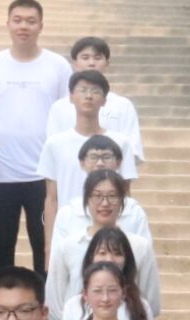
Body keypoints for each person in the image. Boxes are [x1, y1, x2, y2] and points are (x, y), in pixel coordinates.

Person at [0, 0, 73, 272]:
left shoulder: (58, 66)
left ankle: (46, 295)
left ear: (41, 26)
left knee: (44, 241)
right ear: (7, 24)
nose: (23, 26)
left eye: (30, 21)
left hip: (44, 173)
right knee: (1, 242)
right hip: (1, 172)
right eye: (17, 20)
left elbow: (67, 114)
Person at [38, 70, 139, 248]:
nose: (89, 96)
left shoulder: (120, 143)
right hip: (70, 228)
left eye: (95, 91)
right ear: (71, 97)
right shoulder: (55, 144)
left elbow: (125, 194)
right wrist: (49, 246)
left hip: (110, 231)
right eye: (83, 90)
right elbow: (51, 199)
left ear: (105, 100)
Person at [45, 171, 160, 320]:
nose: (105, 203)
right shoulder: (68, 247)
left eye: (112, 196)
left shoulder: (140, 247)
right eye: (97, 196)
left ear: (122, 201)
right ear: (86, 200)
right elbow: (54, 302)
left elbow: (150, 302)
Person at [47, 37, 145, 164]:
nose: (91, 63)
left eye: (97, 58)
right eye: (85, 58)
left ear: (107, 64)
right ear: (75, 64)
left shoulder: (123, 106)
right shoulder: (59, 107)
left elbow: (132, 150)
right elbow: (52, 151)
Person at [50, 134, 152, 244]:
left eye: (106, 157)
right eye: (93, 157)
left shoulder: (134, 212)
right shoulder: (68, 213)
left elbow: (144, 251)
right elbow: (58, 253)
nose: (100, 164)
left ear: (118, 162)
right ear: (82, 163)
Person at [56, 225, 155, 320]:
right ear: (91, 257)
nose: (109, 259)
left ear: (126, 259)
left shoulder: (141, 307)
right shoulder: (73, 307)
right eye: (102, 253)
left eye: (117, 254)